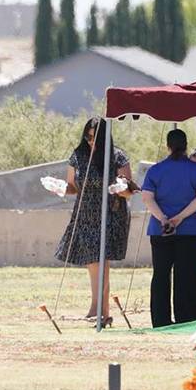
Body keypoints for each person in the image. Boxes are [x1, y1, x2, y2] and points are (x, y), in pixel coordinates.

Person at [54, 116, 133, 322]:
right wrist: (61, 188)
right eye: (88, 137)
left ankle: (99, 309)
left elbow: (129, 189)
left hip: (110, 213)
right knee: (92, 260)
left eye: (95, 137)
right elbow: (73, 186)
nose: (91, 141)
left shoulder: (116, 157)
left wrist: (120, 188)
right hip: (86, 212)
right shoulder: (78, 156)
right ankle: (99, 309)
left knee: (101, 259)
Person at [141, 129, 196, 328]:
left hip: (160, 229)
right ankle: (186, 318)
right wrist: (179, 218)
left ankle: (160, 320)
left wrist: (163, 218)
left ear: (168, 146)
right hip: (189, 229)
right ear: (186, 145)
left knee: (161, 275)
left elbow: (147, 197)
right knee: (186, 275)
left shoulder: (155, 170)